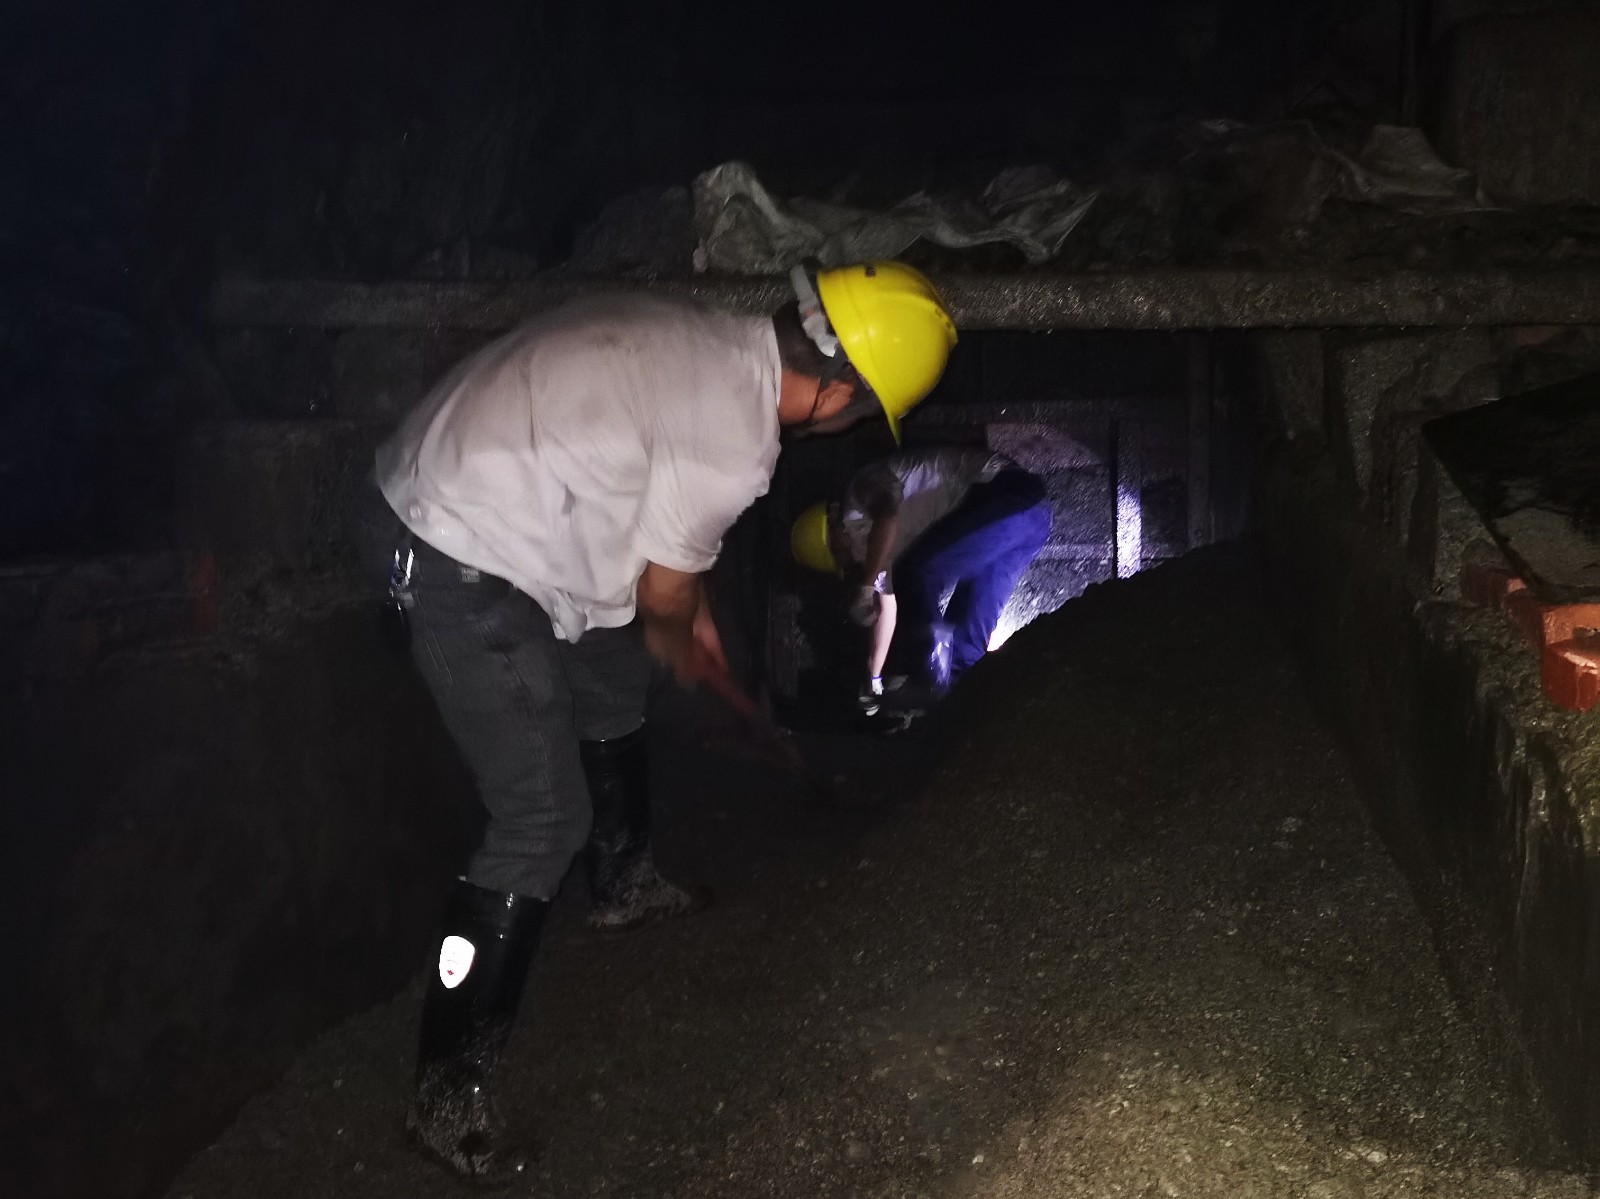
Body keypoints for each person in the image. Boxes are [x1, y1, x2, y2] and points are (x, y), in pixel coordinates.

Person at [358, 261, 957, 1182]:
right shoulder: (737, 441)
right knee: (541, 817)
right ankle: (446, 1096)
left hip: (473, 491)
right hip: (444, 544)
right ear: (840, 394)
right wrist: (681, 626)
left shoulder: (714, 341)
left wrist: (685, 614)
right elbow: (665, 595)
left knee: (610, 663)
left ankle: (624, 881)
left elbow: (666, 550)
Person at [790, 445, 1051, 708]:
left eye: (838, 555)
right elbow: (887, 609)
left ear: (833, 536)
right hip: (1031, 518)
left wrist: (866, 586)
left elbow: (887, 515)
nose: (849, 564)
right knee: (967, 634)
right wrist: (874, 677)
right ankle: (959, 703)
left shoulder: (861, 489)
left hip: (1007, 493)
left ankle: (931, 679)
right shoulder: (874, 551)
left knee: (918, 573)